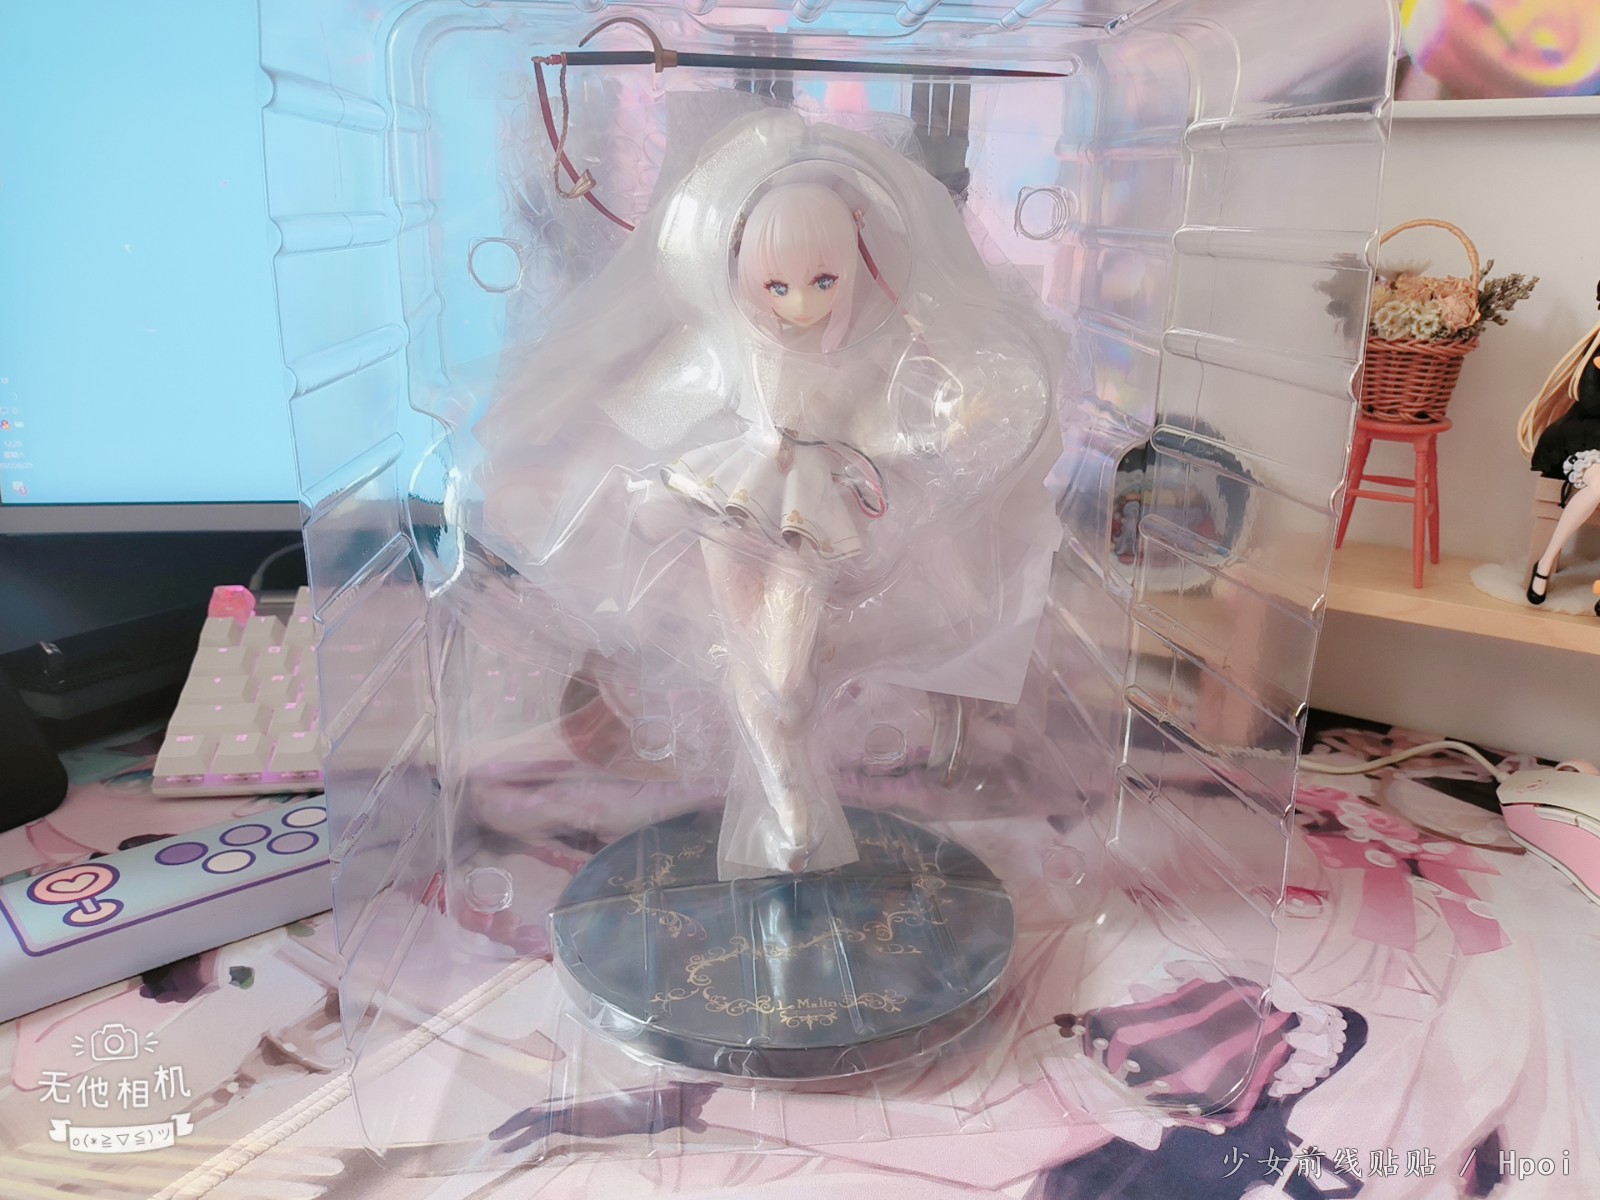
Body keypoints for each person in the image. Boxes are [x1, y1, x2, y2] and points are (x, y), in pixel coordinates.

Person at [470, 106, 1060, 878]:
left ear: (855, 257)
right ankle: (788, 807)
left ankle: (787, 796)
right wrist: (582, 472)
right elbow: (645, 409)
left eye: (823, 281)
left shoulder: (863, 355)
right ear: (741, 268)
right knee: (754, 664)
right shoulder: (724, 346)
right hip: (729, 499)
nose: (801, 304)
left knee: (781, 677)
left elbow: (901, 421)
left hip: (811, 514)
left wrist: (964, 417)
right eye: (777, 285)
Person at [1525, 282, 1600, 608]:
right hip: (1589, 435)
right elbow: (1590, 402)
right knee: (1599, 484)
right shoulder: (1595, 351)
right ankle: (1544, 563)